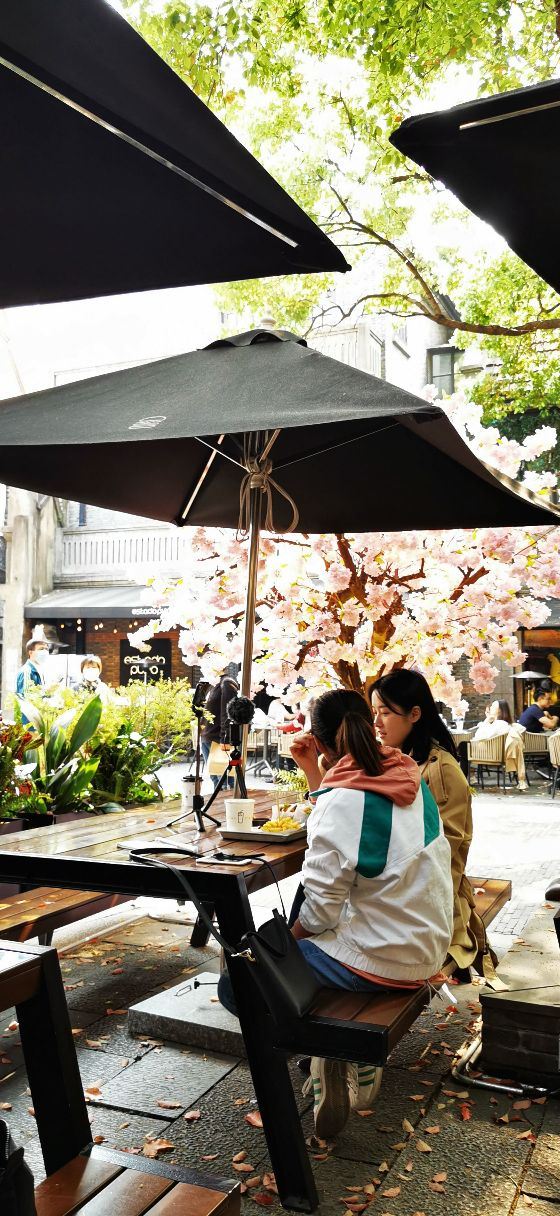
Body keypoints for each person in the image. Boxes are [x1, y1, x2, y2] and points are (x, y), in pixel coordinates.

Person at [218, 688, 453, 1139]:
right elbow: (348, 831)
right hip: (426, 944)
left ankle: (329, 1051)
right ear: (368, 725)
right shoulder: (404, 775)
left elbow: (321, 911)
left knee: (240, 982)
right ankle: (333, 1056)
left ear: (322, 741)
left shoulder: (343, 800)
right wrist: (315, 771)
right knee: (298, 916)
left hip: (382, 957)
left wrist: (287, 947)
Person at [370, 669, 497, 981]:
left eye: (385, 712)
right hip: (398, 889)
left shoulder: (440, 770)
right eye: (373, 712)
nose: (376, 723)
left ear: (414, 714)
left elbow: (444, 854)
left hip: (426, 902)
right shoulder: (397, 760)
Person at [474, 699, 527, 790]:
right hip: (498, 753)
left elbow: (478, 736)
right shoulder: (504, 724)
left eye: (493, 706)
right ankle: (469, 776)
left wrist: (486, 720)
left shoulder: (499, 724)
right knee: (464, 748)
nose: (490, 708)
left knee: (463, 747)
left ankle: (467, 776)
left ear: (500, 711)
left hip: (490, 754)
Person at [200, 669, 239, 789]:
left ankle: (225, 801)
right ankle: (219, 800)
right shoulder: (213, 684)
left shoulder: (226, 683)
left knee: (224, 781)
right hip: (207, 737)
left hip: (218, 739)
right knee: (216, 780)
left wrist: (225, 738)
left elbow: (228, 713)